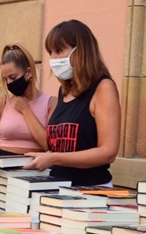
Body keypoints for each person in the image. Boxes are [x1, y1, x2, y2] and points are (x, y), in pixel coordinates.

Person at [22, 19, 121, 186]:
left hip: (90, 191)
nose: (53, 58)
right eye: (50, 52)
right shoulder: (64, 91)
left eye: (59, 50)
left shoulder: (103, 88)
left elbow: (108, 152)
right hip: (56, 187)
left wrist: (54, 158)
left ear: (81, 51)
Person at [0, 43, 56, 182]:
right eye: (5, 79)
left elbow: (49, 145)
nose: (9, 83)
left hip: (35, 172)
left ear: (29, 73)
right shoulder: (0, 103)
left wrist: (26, 111)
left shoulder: (50, 103)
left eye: (13, 77)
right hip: (3, 171)